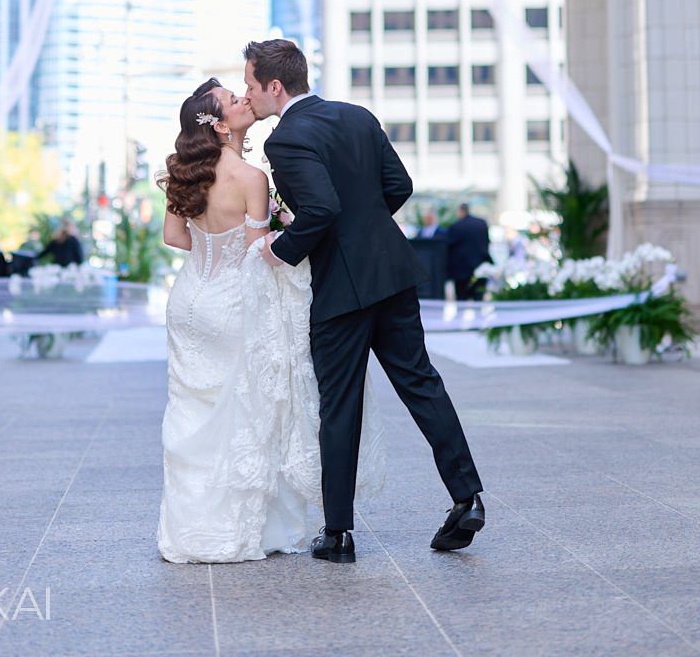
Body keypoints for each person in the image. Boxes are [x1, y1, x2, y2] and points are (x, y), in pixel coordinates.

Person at [244, 39, 484, 564]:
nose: (248, 94)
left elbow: (323, 208)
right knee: (422, 383)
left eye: (250, 84)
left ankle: (338, 535)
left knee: (340, 405)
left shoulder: (285, 140)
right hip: (393, 273)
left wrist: (281, 248)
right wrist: (366, 224)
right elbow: (399, 184)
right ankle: (467, 498)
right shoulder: (357, 115)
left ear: (275, 86)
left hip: (342, 290)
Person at [155, 78, 382, 564]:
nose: (243, 100)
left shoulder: (180, 171)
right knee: (243, 413)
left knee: (193, 412)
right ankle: (240, 529)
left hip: (192, 298)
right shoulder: (251, 178)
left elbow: (176, 237)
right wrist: (260, 235)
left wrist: (213, 250)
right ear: (218, 125)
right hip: (236, 301)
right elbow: (261, 254)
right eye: (233, 101)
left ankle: (189, 529)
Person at [447, 203, 490, 300]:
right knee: (479, 300)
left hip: (461, 271)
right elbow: (487, 243)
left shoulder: (456, 226)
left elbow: (450, 247)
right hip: (480, 269)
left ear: (460, 211)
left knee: (461, 300)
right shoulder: (481, 224)